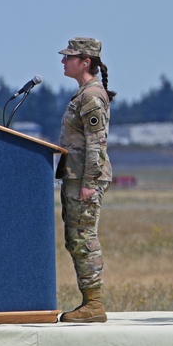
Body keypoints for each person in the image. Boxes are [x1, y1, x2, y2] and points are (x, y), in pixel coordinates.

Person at [57, 37, 116, 323]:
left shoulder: (91, 95)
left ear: (85, 62)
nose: (63, 61)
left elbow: (97, 143)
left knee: (83, 238)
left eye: (69, 57)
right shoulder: (84, 93)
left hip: (84, 177)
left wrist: (89, 183)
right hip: (76, 175)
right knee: (76, 237)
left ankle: (94, 304)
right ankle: (90, 302)